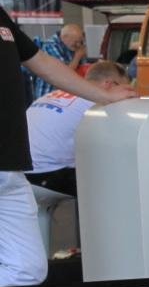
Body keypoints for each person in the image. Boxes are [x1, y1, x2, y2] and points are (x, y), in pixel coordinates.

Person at [0, 0, 137, 287]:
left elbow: (41, 64)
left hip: (11, 169)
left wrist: (104, 96)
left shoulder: (2, 19)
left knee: (27, 270)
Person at [26, 59, 132, 197]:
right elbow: (117, 144)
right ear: (109, 84)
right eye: (123, 88)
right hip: (45, 174)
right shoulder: (98, 103)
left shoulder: (53, 94)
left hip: (18, 172)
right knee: (118, 181)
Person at [28, 22, 86, 100]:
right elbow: (63, 75)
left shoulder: (71, 46)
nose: (78, 45)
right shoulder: (50, 46)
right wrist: (77, 57)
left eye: (80, 42)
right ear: (64, 37)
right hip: (49, 96)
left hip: (65, 94)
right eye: (75, 42)